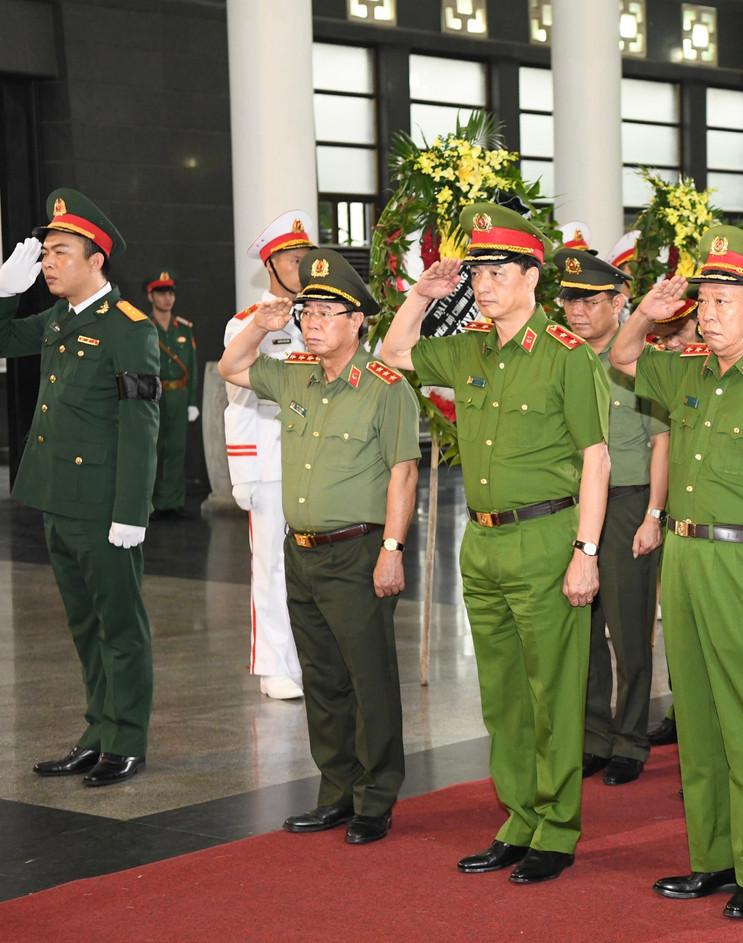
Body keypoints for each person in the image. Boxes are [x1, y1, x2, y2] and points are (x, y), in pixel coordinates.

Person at [380, 204, 610, 884]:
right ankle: (518, 817)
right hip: (480, 544)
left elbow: (596, 460)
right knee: (502, 692)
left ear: (533, 276)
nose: (484, 283)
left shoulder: (567, 356)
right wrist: (422, 295)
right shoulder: (472, 346)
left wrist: (586, 551)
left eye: (498, 270)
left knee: (552, 691)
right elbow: (393, 354)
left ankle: (557, 826)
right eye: (477, 271)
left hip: (547, 538)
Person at [610, 225, 743, 920]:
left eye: (725, 300)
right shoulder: (689, 366)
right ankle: (712, 858)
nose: (710, 312)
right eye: (705, 301)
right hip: (687, 555)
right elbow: (621, 354)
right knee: (696, 719)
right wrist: (649, 309)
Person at [219, 248, 419, 844]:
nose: (312, 321)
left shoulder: (386, 388)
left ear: (359, 322)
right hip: (300, 551)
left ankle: (376, 798)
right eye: (308, 310)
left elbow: (403, 475)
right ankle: (336, 791)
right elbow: (231, 369)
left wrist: (392, 549)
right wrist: (263, 322)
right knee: (323, 679)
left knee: (369, 677)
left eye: (328, 311)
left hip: (359, 552)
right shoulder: (295, 371)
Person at [0, 189, 159, 787]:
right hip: (57, 502)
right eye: (45, 252)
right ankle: (97, 732)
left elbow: (140, 426)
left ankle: (127, 739)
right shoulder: (55, 320)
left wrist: (132, 511)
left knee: (119, 625)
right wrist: (4, 293)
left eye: (61, 251)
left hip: (102, 507)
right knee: (84, 625)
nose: (48, 262)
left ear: (97, 260)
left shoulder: (127, 329)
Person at [555, 248, 670, 787]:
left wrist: (653, 514)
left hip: (628, 504)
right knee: (583, 626)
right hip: (576, 508)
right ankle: (593, 736)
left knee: (628, 629)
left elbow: (663, 443)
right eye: (568, 299)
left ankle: (630, 739)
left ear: (620, 301)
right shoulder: (561, 359)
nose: (577, 311)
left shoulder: (639, 361)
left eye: (589, 300)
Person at [224, 210, 315, 701]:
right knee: (273, 565)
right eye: (294, 259)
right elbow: (244, 394)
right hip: (271, 461)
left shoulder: (322, 317)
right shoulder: (245, 325)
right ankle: (273, 664)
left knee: (314, 565)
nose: (303, 267)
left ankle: (307, 658)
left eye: (307, 258)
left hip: (318, 461)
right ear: (272, 264)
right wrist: (242, 472)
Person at [145, 269, 199, 520]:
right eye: (161, 293)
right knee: (152, 450)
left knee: (177, 449)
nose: (167, 298)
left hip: (178, 393)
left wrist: (191, 401)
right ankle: (152, 504)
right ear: (150, 296)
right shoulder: (143, 327)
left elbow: (193, 366)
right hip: (152, 395)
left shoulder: (184, 328)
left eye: (170, 293)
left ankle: (173, 502)